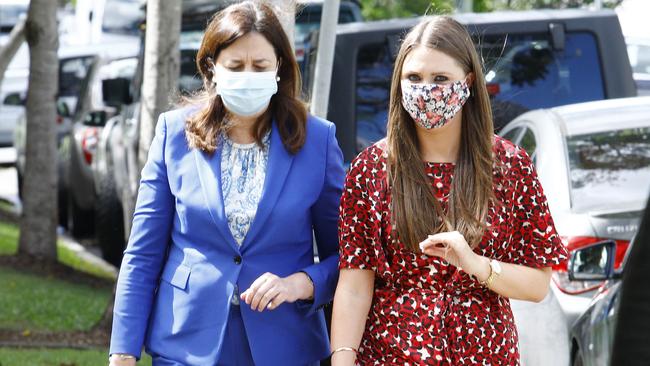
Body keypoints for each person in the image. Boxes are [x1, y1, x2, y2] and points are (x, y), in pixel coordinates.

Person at [108, 2, 344, 365]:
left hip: (284, 344)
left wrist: (301, 283)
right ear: (211, 68)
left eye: (260, 65)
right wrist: (122, 352)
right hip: (185, 344)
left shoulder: (318, 140)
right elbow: (142, 254)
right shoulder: (174, 133)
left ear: (279, 67)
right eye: (235, 66)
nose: (248, 75)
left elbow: (346, 257)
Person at [330, 16, 569, 365]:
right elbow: (354, 287)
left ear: (468, 82)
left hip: (486, 354)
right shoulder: (370, 169)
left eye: (440, 78)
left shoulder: (510, 167)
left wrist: (475, 265)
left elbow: (537, 285)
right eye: (414, 78)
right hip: (391, 354)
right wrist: (342, 358)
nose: (426, 90)